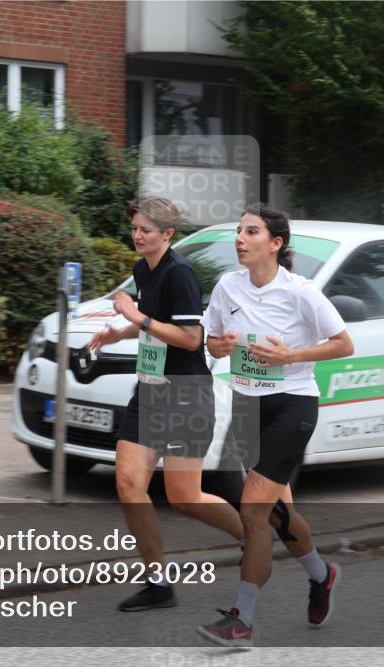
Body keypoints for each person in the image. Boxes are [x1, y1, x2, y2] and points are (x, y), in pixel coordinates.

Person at [196, 204, 354, 648]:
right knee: (282, 516)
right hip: (249, 406)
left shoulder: (301, 293)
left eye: (251, 232)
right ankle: (323, 576)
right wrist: (220, 345)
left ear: (276, 243)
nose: (240, 239)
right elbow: (212, 340)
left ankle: (241, 620)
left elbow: (344, 343)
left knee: (253, 512)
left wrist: (291, 356)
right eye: (239, 232)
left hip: (292, 406)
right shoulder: (228, 287)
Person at [88, 196, 244, 612]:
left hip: (186, 393)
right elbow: (154, 326)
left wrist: (135, 319)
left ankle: (254, 536)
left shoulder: (181, 275)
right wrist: (117, 333)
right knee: (128, 484)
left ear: (168, 234)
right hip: (151, 390)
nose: (137, 235)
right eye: (135, 228)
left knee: (185, 497)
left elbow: (191, 339)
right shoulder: (144, 270)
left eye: (146, 230)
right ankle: (158, 583)